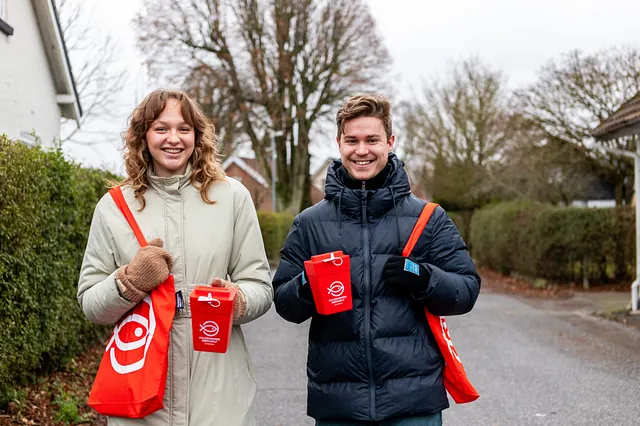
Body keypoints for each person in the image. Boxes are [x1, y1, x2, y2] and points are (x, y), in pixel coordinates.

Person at [273, 95, 481, 425]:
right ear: (339, 144)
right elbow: (285, 304)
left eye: (372, 140)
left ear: (390, 142)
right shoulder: (309, 223)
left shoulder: (428, 218)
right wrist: (306, 284)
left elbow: (466, 291)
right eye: (352, 141)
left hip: (413, 404)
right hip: (339, 405)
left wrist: (424, 278)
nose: (362, 150)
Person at [77, 89, 272, 425]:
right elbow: (91, 303)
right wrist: (129, 282)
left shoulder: (232, 197)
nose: (173, 139)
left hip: (217, 379)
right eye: (161, 128)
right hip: (142, 378)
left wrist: (238, 300)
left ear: (197, 136)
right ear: (143, 136)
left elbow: (260, 285)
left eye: (184, 129)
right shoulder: (114, 207)